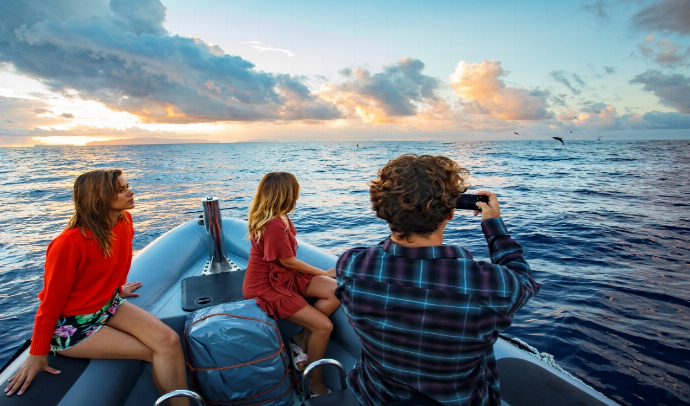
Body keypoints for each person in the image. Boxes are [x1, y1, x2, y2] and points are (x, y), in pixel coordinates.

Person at [335, 155, 540, 406]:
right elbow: (524, 281)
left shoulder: (352, 265)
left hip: (376, 397)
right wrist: (494, 226)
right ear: (451, 213)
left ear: (381, 210)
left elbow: (384, 257)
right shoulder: (489, 285)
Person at [4, 169, 189, 406]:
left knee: (169, 341)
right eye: (120, 190)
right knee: (152, 350)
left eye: (127, 186)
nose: (130, 192)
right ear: (100, 198)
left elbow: (106, 267)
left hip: (107, 304)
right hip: (71, 325)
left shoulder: (124, 221)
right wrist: (37, 353)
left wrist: (115, 289)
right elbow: (50, 303)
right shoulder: (68, 244)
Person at [243, 172, 340, 396]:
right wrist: (324, 272)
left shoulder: (281, 217)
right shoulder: (274, 224)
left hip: (283, 275)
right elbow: (287, 260)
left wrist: (325, 277)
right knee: (323, 327)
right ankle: (314, 385)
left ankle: (301, 337)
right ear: (288, 193)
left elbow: (286, 263)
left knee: (337, 289)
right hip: (267, 285)